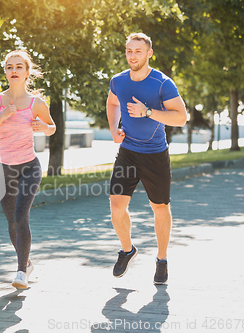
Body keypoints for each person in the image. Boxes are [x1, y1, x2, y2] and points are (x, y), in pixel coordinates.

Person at [106, 33, 187, 284]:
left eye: (138, 51)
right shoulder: (118, 81)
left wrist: (148, 112)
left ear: (149, 53)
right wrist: (113, 129)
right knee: (117, 206)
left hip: (155, 155)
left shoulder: (162, 83)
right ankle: (127, 250)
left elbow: (181, 117)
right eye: (129, 51)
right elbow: (112, 103)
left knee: (160, 207)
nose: (132, 56)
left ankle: (161, 259)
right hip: (128, 152)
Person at [0, 50, 56, 289]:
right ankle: (27, 262)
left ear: (26, 72)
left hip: (29, 167)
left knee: (21, 217)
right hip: (4, 168)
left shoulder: (36, 103)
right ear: (5, 72)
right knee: (12, 222)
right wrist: (2, 116)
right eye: (10, 67)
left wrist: (44, 126)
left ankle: (21, 272)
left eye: (19, 67)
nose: (14, 70)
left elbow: (52, 127)